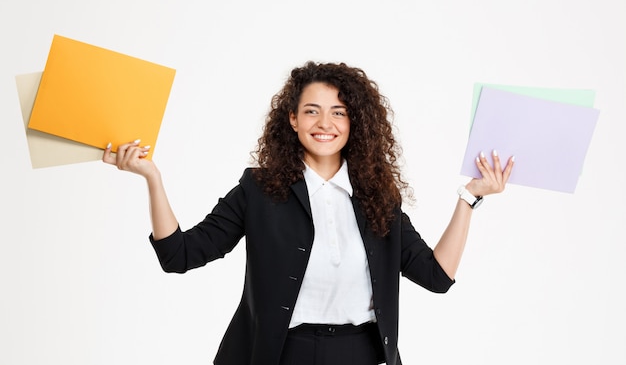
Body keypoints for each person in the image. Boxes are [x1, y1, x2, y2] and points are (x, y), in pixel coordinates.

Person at [103, 61, 514, 365]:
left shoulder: (378, 197)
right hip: (284, 354)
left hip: (364, 354)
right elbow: (180, 256)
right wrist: (152, 178)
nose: (325, 123)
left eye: (339, 112)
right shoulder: (258, 189)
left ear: (355, 123)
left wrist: (469, 199)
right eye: (312, 110)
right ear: (293, 119)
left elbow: (436, 277)